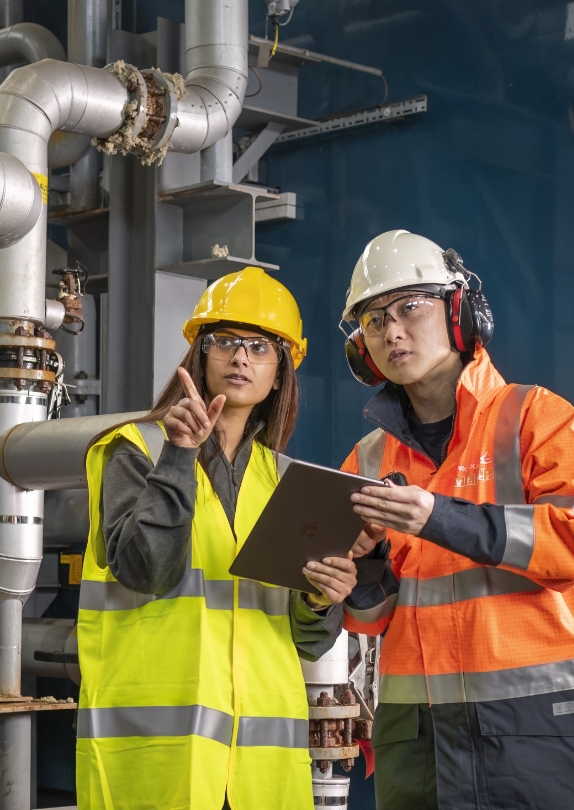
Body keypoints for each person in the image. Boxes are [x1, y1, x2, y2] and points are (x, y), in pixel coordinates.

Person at [76, 267, 357, 810]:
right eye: (225, 342)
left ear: (281, 374)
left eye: (260, 347)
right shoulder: (133, 448)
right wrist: (179, 455)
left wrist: (323, 598)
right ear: (200, 357)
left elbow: (306, 640)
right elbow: (147, 570)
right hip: (156, 756)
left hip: (259, 772)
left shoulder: (285, 480)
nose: (241, 358)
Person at [339, 230, 574, 809]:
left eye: (409, 307)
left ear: (459, 311)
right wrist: (366, 565)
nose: (392, 331)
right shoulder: (367, 459)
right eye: (373, 320)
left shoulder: (536, 418)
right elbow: (368, 623)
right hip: (412, 738)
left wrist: (439, 517)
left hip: (528, 729)